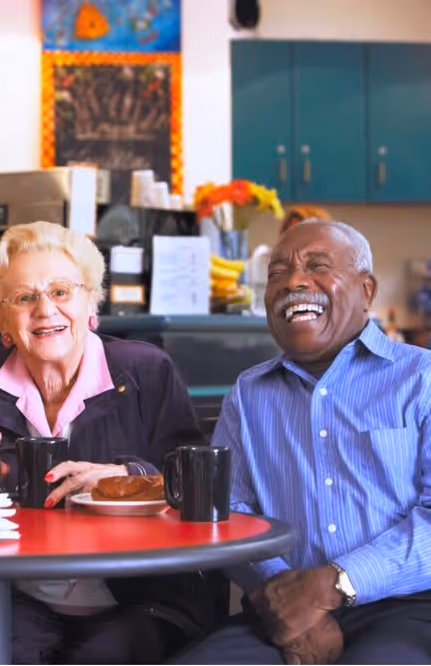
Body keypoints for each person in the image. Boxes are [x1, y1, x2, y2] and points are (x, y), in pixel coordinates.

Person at [0, 221, 212, 664]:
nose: (45, 310)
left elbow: (198, 487)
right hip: (11, 594)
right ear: (2, 320)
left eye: (61, 292)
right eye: (24, 297)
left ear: (89, 302)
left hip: (138, 599)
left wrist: (128, 477)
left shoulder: (146, 371)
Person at [174, 220, 431, 664]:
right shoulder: (248, 394)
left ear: (366, 291)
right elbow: (228, 513)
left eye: (317, 265)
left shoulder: (421, 378)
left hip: (408, 607)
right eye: (278, 273)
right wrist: (285, 599)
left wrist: (335, 583)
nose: (294, 282)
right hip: (279, 608)